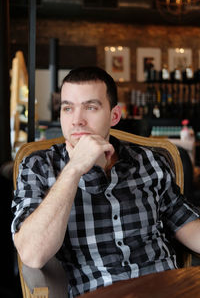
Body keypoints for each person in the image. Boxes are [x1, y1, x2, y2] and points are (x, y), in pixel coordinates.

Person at [11, 66, 200, 297]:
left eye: (90, 107)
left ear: (114, 116)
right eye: (68, 108)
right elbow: (32, 253)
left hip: (167, 288)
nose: (77, 120)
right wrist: (74, 169)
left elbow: (187, 224)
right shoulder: (38, 166)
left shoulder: (149, 161)